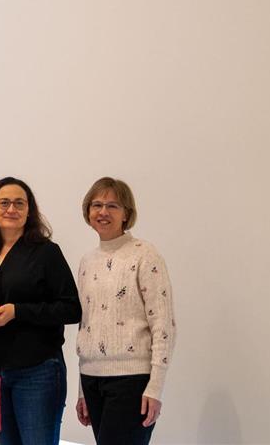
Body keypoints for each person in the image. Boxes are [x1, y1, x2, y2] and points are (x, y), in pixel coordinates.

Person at [0, 177, 82, 445]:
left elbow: (71, 309)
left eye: (19, 203)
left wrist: (17, 312)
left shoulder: (46, 253)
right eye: (4, 203)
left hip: (37, 371)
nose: (11, 209)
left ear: (29, 210)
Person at [74, 177, 177, 445]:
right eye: (96, 205)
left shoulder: (144, 255)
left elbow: (163, 324)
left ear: (126, 214)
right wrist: (81, 389)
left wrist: (155, 387)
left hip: (131, 381)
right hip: (93, 379)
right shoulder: (86, 262)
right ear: (88, 211)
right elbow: (86, 325)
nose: (103, 212)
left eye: (112, 206)